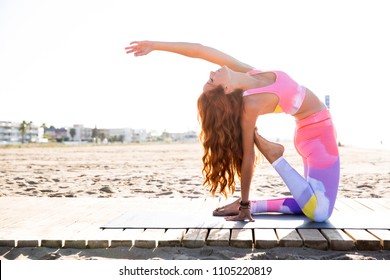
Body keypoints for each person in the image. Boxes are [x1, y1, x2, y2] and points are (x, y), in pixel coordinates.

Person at [125, 41, 340, 223]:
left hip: (310, 135)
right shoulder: (250, 105)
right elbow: (247, 156)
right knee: (320, 212)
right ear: (226, 89)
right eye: (211, 80)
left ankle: (255, 204)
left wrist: (155, 45)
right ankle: (275, 158)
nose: (211, 72)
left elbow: (201, 51)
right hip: (320, 135)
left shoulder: (250, 73)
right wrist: (244, 203)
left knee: (311, 200)